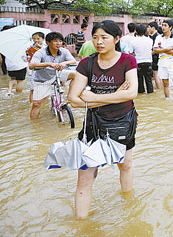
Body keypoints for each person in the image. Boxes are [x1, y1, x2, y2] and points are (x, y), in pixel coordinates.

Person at [68, 20, 138, 220]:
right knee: (85, 175)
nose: (99, 42)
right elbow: (74, 99)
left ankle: (129, 210)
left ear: (116, 39)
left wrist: (95, 99)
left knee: (125, 165)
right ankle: (81, 223)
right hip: (92, 125)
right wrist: (114, 95)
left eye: (104, 37)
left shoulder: (127, 61)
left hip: (122, 121)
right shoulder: (86, 63)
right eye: (96, 37)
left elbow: (131, 92)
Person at [29, 32, 76, 119]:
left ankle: (70, 96)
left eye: (60, 41)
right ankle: (34, 127)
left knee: (76, 75)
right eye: (55, 41)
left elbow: (73, 61)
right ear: (48, 42)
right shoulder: (40, 52)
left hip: (58, 74)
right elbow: (31, 65)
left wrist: (64, 63)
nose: (58, 43)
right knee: (36, 104)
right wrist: (48, 64)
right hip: (42, 80)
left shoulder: (64, 51)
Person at [153, 19, 173, 100]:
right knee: (165, 83)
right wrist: (167, 49)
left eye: (165, 25)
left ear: (170, 27)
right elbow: (155, 50)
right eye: (162, 25)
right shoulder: (159, 37)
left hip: (172, 62)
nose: (163, 27)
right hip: (162, 62)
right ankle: (167, 100)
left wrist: (161, 49)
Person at [130, 24, 154, 94]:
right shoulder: (150, 40)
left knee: (139, 81)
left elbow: (131, 53)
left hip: (138, 62)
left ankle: (141, 95)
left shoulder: (133, 41)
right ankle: (151, 94)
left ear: (136, 31)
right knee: (149, 81)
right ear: (145, 31)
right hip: (148, 61)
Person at [147, 21, 163, 90]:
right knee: (160, 75)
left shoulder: (155, 37)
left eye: (149, 27)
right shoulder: (160, 36)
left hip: (155, 57)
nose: (148, 29)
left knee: (155, 74)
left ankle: (159, 89)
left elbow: (155, 49)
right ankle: (161, 89)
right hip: (160, 57)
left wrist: (149, 53)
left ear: (153, 28)